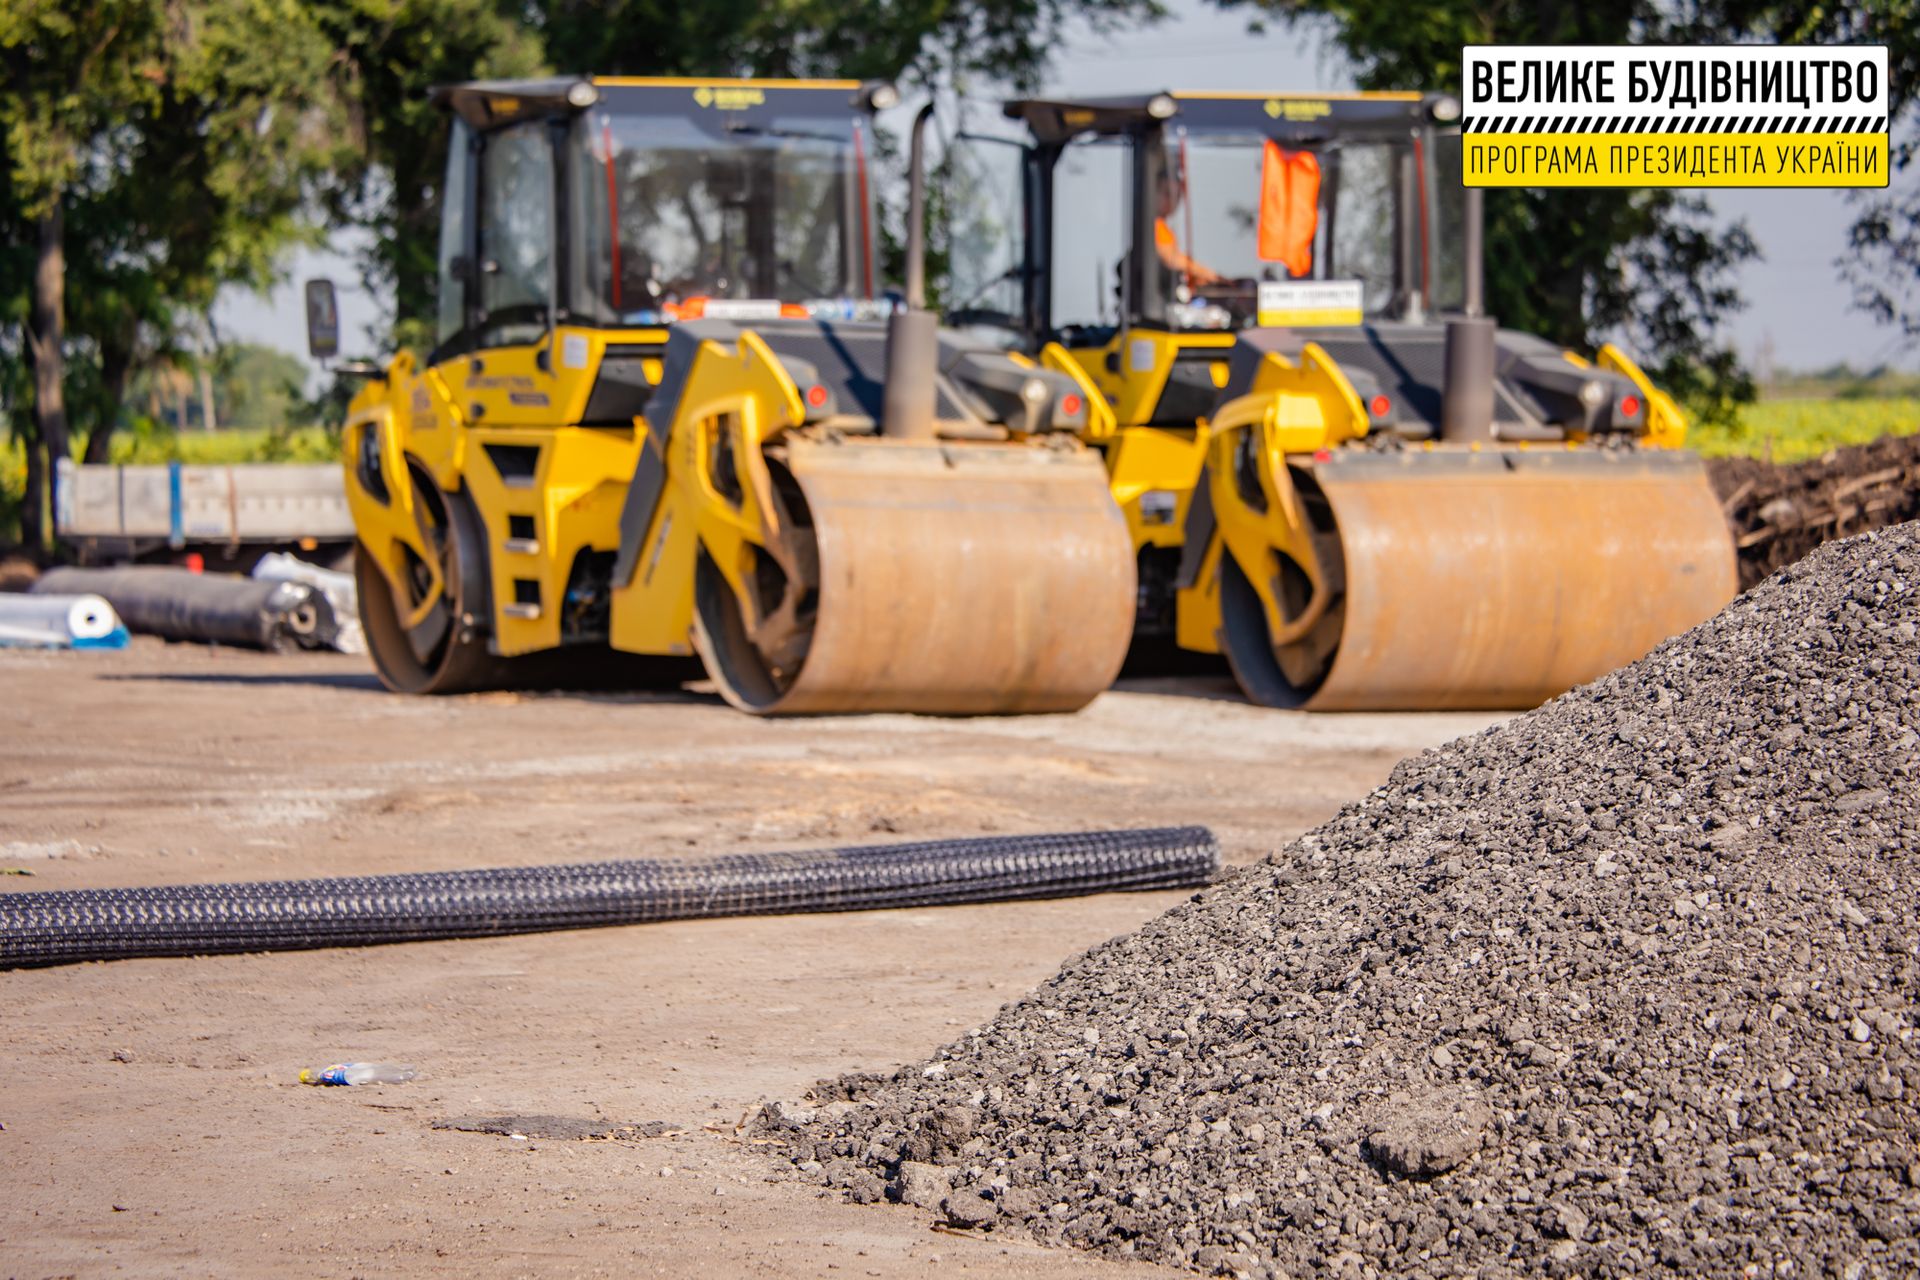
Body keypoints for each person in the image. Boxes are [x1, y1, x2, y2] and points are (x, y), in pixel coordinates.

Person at [1152, 174, 1225, 289]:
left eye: (1178, 196)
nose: (1172, 201)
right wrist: (1207, 274)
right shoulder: (1154, 226)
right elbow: (1171, 259)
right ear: (1154, 193)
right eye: (1167, 194)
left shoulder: (1163, 228)